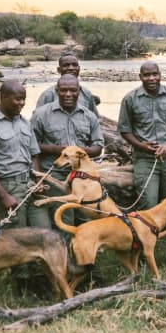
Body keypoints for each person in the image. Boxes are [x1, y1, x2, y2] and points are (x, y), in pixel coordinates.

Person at [118, 62, 166, 265]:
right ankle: (142, 252)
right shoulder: (131, 99)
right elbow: (124, 129)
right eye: (147, 75)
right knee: (147, 206)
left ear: (161, 75)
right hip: (144, 159)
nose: (151, 79)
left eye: (155, 74)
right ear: (140, 77)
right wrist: (141, 145)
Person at [31, 74, 104, 224]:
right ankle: (65, 247)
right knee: (64, 217)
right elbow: (31, 147)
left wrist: (76, 151)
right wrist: (56, 150)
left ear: (79, 91)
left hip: (83, 177)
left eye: (73, 90)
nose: (68, 94)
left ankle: (83, 246)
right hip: (54, 174)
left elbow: (98, 147)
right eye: (63, 90)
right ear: (57, 91)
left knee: (85, 216)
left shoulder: (89, 116)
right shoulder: (41, 114)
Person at [0, 80, 44, 228]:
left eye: (24, 99)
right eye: (18, 99)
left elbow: (34, 155)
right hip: (8, 187)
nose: (22, 103)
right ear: (4, 97)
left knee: (43, 231)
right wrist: (3, 196)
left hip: (31, 185)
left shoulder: (24, 123)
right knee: (16, 238)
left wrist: (39, 181)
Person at [36, 54, 100, 116]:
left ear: (79, 68)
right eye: (66, 65)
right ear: (59, 70)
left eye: (74, 65)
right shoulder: (48, 95)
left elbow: (95, 119)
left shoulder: (86, 93)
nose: (71, 68)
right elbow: (37, 119)